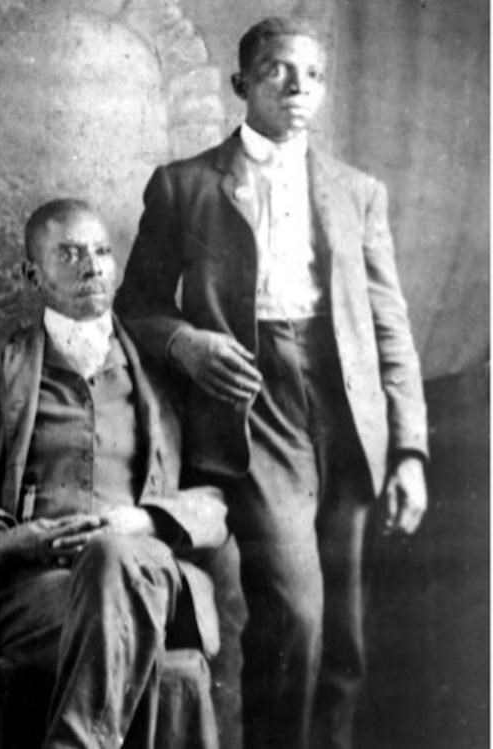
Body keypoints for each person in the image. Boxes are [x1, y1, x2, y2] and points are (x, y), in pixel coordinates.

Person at [115, 16, 428, 749]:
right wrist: (189, 342)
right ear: (240, 85)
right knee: (295, 614)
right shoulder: (183, 186)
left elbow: (390, 326)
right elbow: (138, 308)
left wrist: (409, 449)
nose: (298, 88)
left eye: (312, 76)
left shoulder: (358, 191)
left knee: (343, 635)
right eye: (278, 71)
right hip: (257, 409)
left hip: (350, 414)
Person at [0, 199, 228, 749]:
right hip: (35, 590)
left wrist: (147, 521)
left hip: (147, 565)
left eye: (103, 252)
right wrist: (9, 540)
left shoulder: (162, 370)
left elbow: (217, 501)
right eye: (69, 253)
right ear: (31, 274)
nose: (93, 267)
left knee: (114, 559)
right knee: (127, 635)